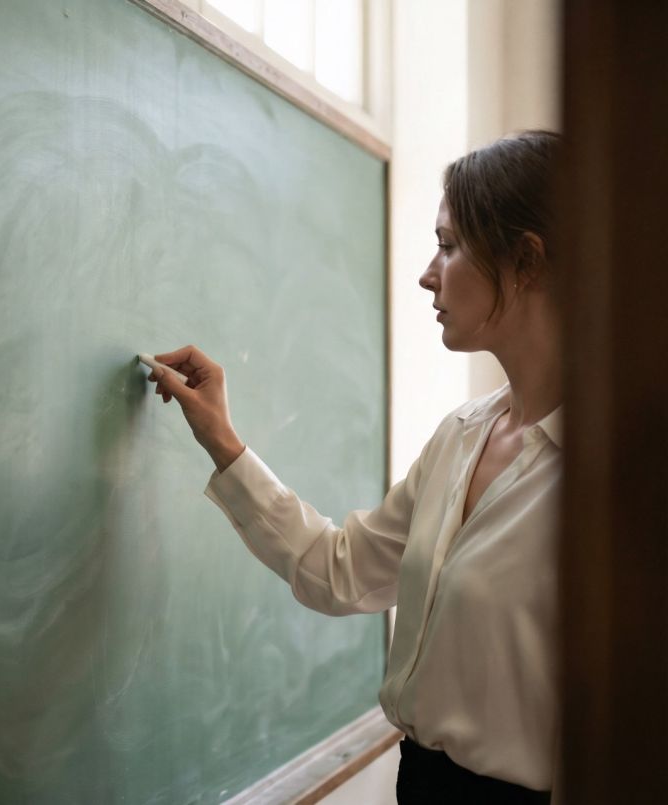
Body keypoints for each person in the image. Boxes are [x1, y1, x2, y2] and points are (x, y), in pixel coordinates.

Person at [145, 130, 562, 804]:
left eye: (449, 246)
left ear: (527, 262)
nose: (428, 272)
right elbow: (338, 571)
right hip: (420, 785)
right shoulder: (461, 436)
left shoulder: (615, 479)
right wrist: (223, 439)